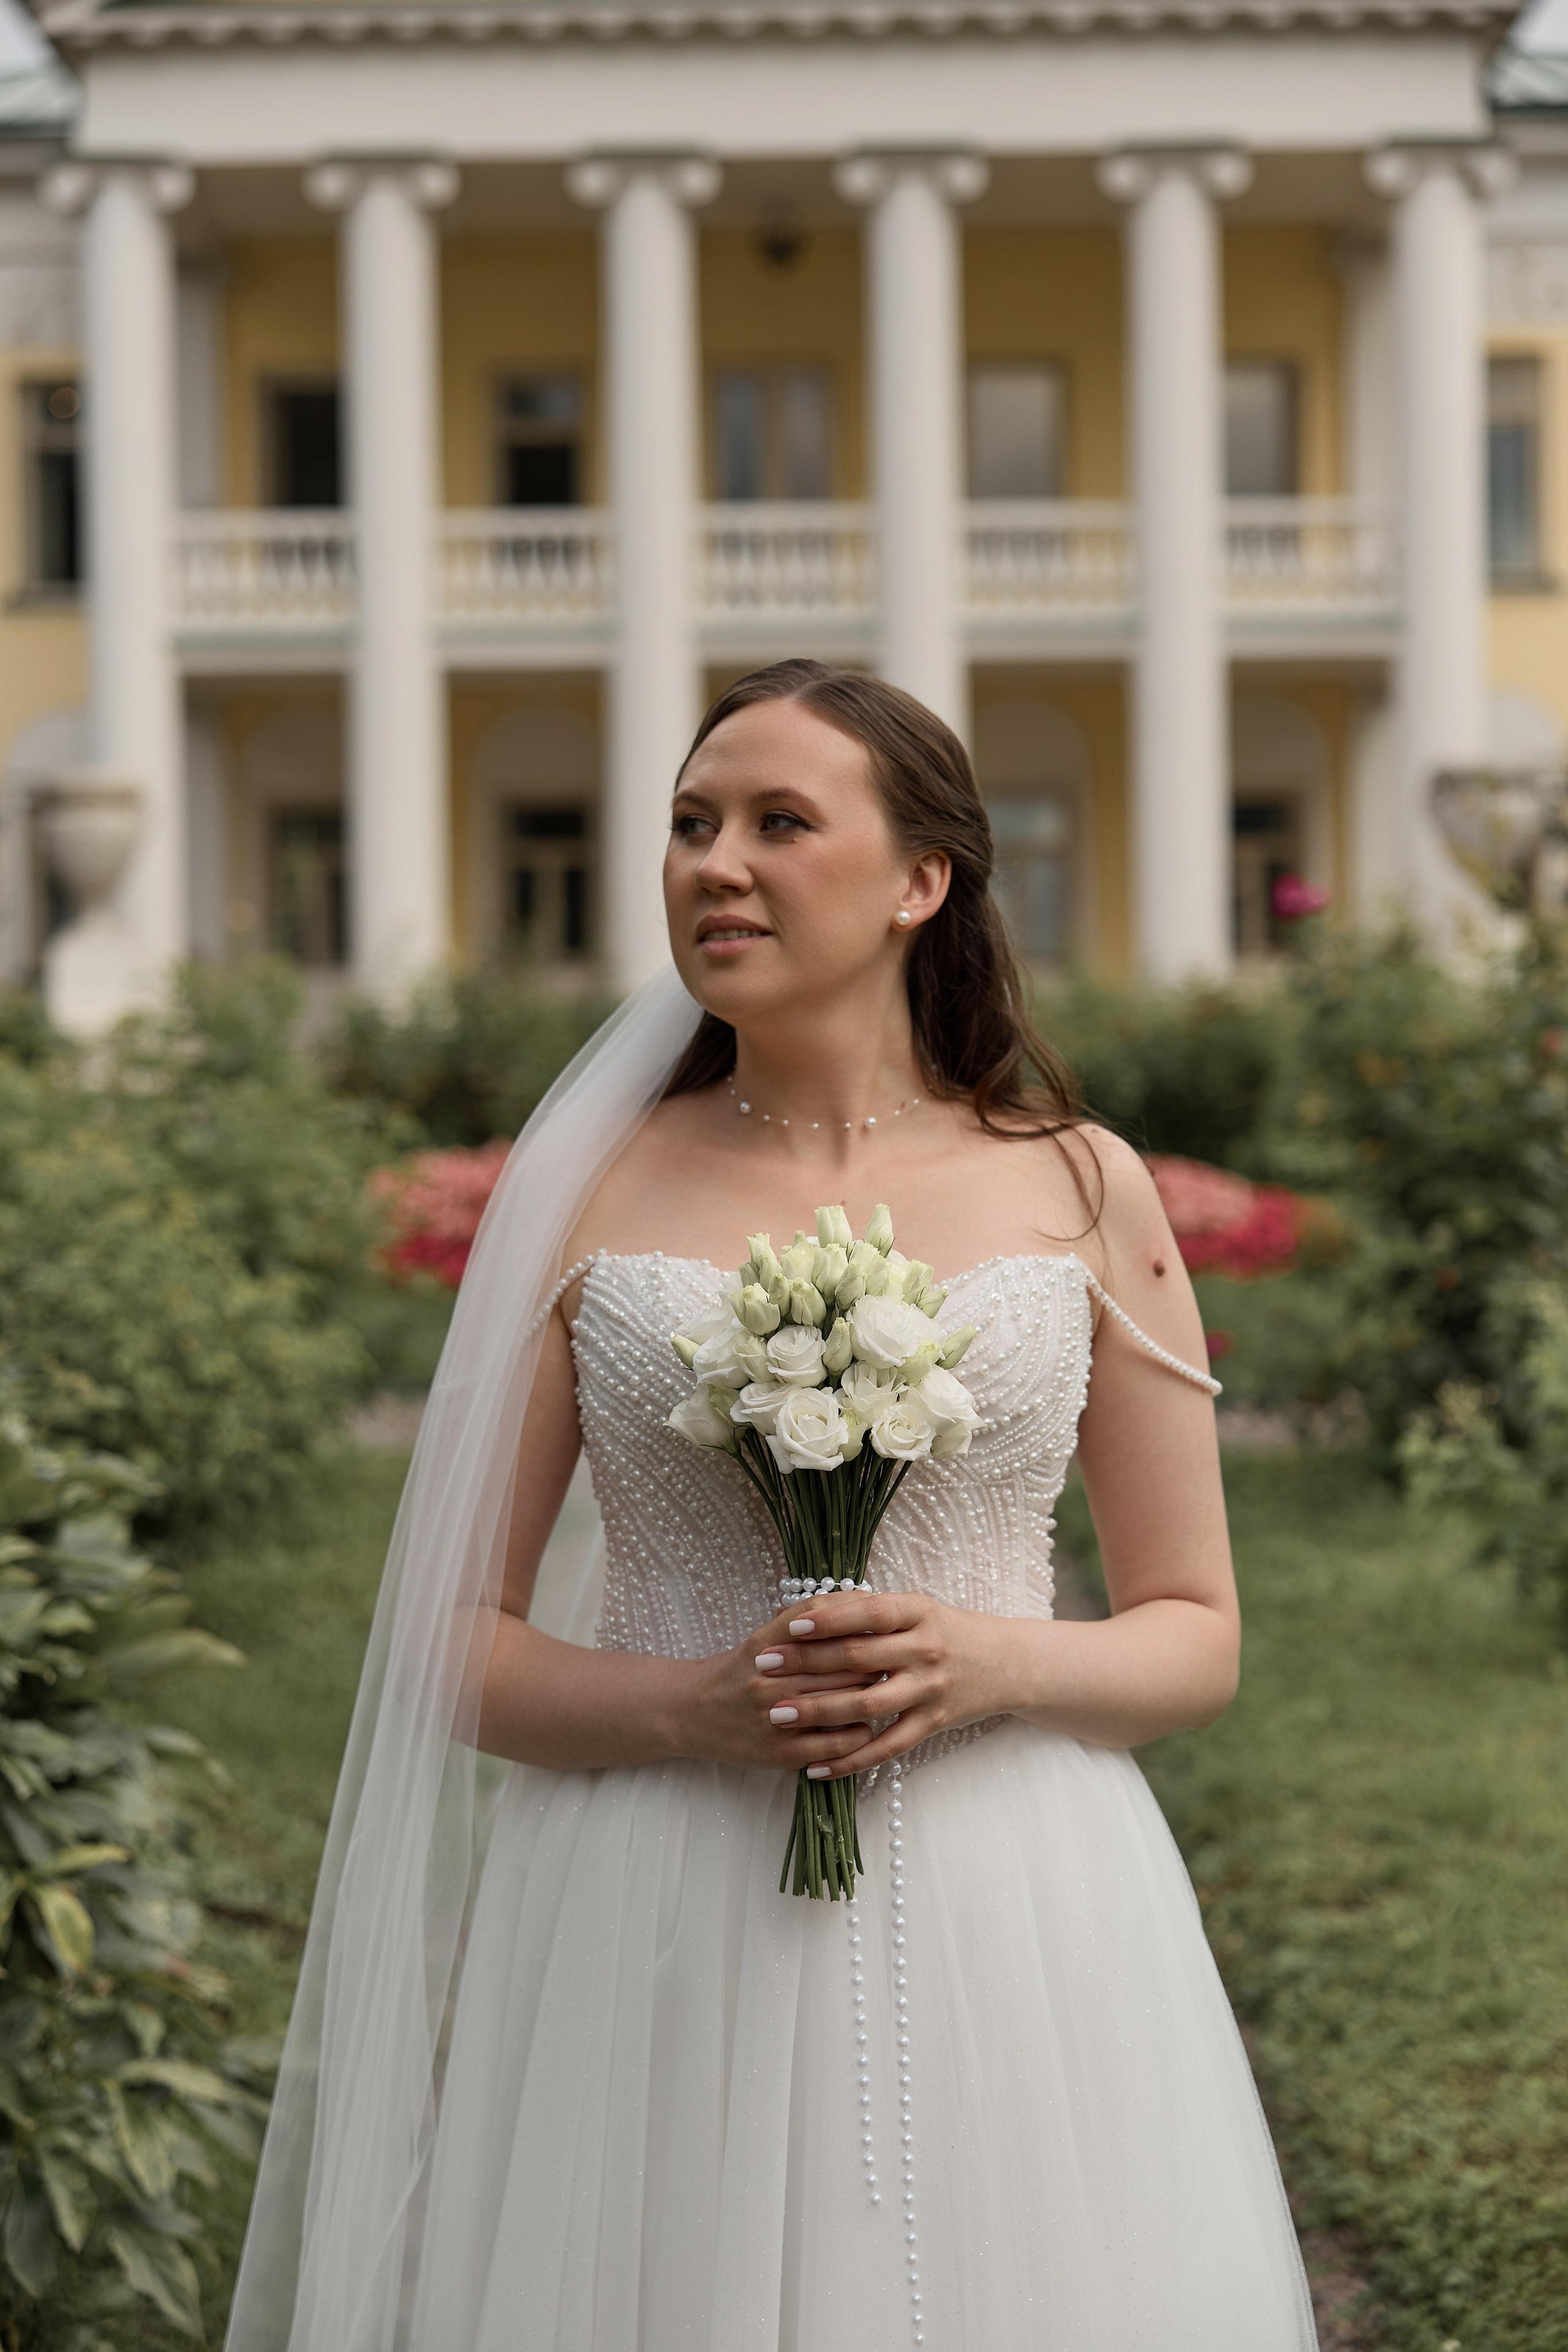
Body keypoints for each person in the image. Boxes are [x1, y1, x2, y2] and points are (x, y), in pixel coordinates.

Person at [226, 660, 1318, 2352]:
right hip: (649, 1902)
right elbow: (447, 1643)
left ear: (919, 881)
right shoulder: (586, 1190)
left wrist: (995, 1664)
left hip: (1012, 1904)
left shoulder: (1082, 1186)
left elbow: (1199, 1638)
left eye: (777, 823)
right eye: (688, 825)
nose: (711, 864)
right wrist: (691, 1706)